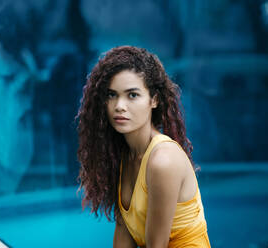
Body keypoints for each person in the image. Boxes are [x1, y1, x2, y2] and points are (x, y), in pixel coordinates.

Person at [76, 46, 211, 247]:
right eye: (112, 95)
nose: (119, 106)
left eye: (132, 95)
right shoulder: (124, 157)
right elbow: (124, 237)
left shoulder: (162, 160)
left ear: (154, 100)